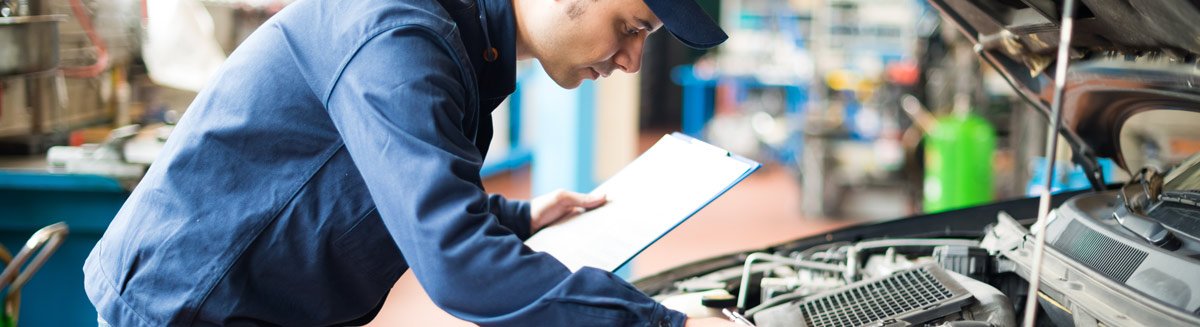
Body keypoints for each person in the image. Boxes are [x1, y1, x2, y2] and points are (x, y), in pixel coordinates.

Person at [83, 0, 739, 325]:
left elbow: (388, 180)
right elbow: (461, 269)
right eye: (631, 26)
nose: (630, 61)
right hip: (187, 306)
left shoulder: (461, 44)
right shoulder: (401, 37)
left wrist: (512, 216)